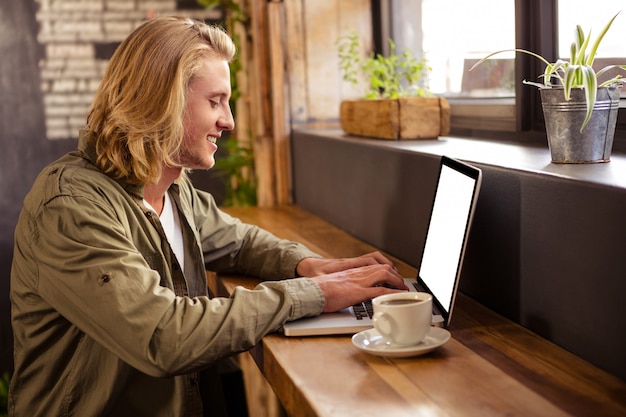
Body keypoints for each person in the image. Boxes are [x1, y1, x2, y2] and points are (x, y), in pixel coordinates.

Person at [8, 16, 407, 417]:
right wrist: (316, 295)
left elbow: (239, 241)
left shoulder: (170, 186)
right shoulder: (70, 204)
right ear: (160, 101)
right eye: (215, 101)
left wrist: (312, 266)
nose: (228, 121)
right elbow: (163, 335)